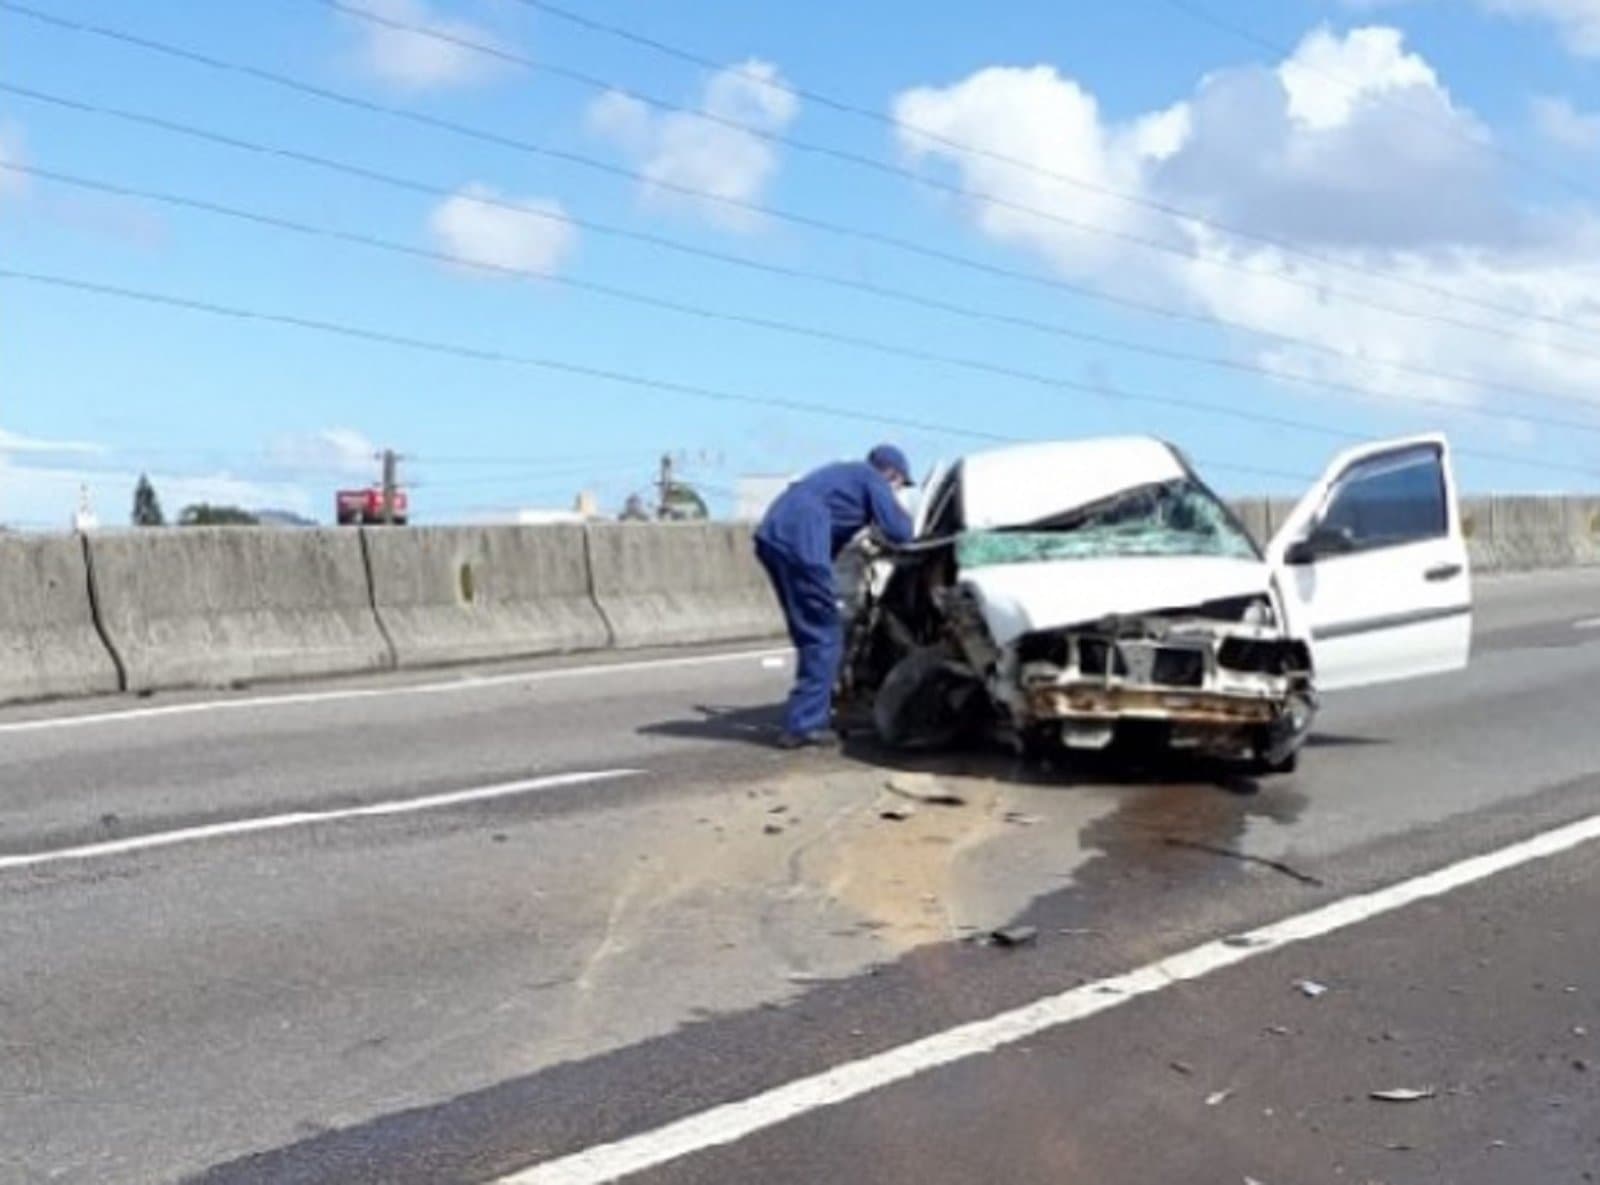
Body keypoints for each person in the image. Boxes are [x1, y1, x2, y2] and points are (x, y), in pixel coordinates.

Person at [755, 445, 914, 749]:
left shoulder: (842, 477)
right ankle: (804, 725)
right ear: (892, 474)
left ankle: (808, 710)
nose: (896, 490)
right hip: (802, 538)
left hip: (772, 535)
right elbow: (900, 530)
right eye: (900, 485)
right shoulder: (872, 479)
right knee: (825, 635)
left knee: (808, 632)